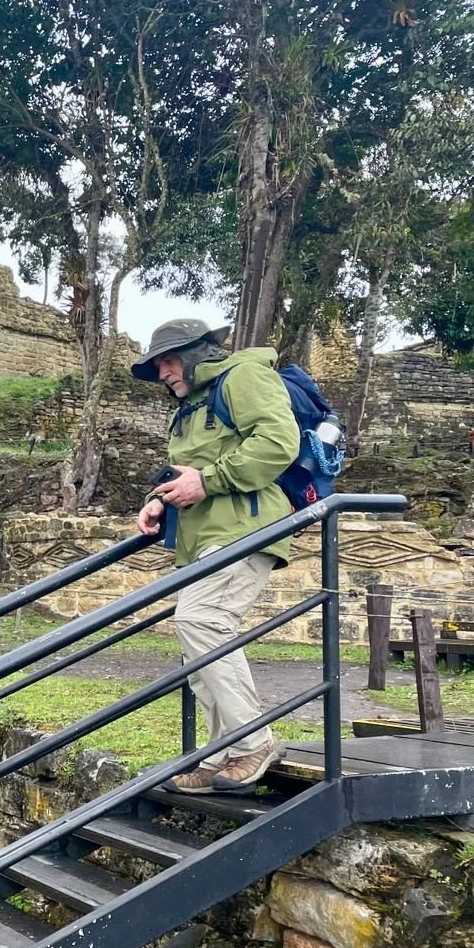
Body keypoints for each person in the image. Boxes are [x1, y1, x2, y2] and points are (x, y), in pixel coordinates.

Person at [131, 318, 300, 794]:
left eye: (167, 360)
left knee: (202, 622)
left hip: (246, 528)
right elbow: (191, 472)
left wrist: (206, 482)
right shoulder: (188, 408)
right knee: (196, 645)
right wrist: (160, 500)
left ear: (195, 352)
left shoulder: (243, 377)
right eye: (157, 365)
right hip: (198, 539)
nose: (162, 372)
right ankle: (220, 753)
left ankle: (254, 741)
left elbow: (278, 444)